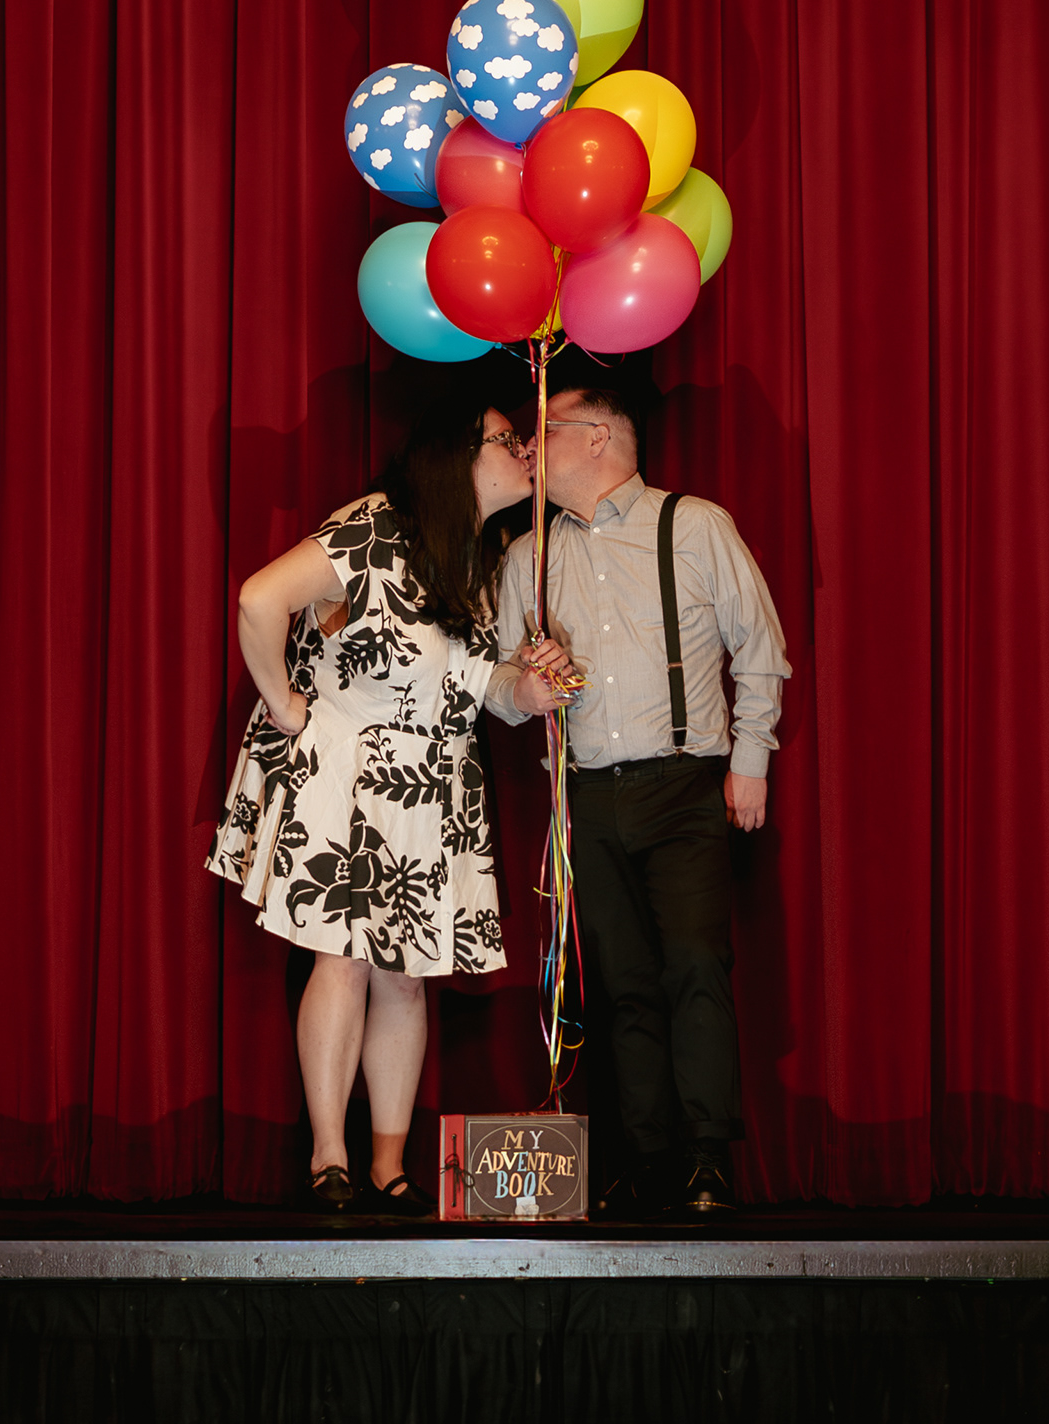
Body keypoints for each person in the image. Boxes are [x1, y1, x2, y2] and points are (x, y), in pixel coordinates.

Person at [212, 392, 576, 1213]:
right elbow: (259, 600)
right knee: (342, 960)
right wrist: (283, 705)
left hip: (432, 788)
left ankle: (389, 1163)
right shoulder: (377, 525)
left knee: (406, 978)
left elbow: (481, 685)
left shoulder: (480, 558)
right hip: (347, 777)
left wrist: (529, 689)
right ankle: (330, 1158)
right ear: (456, 456)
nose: (525, 450)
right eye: (507, 439)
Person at [487, 360, 792, 1215]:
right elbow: (496, 685)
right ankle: (646, 1160)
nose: (528, 449)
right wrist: (525, 687)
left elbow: (759, 648)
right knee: (621, 982)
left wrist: (751, 761)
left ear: (599, 438)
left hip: (685, 784)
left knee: (694, 963)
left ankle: (706, 1158)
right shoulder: (526, 556)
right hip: (584, 796)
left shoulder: (692, 525)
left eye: (542, 433)